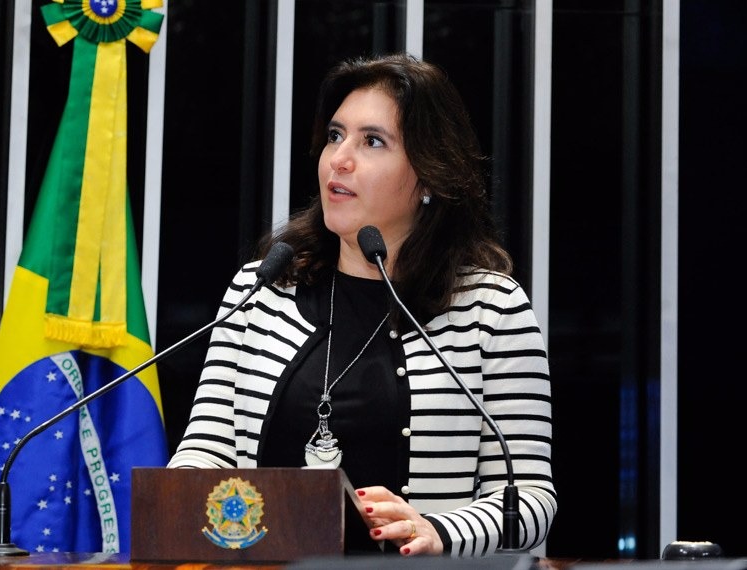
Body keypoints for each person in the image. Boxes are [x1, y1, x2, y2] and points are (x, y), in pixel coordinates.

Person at [167, 52, 556, 558]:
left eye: (372, 141)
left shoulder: (489, 307)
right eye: (335, 135)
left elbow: (529, 497)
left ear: (431, 176)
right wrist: (174, 499)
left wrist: (439, 532)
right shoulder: (259, 291)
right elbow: (208, 448)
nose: (339, 159)